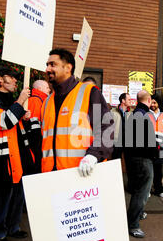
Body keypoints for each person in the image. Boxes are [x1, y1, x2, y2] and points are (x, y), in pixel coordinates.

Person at [41, 48, 113, 176]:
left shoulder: (90, 92)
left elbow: (106, 128)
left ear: (68, 68)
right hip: (51, 177)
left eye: (53, 64)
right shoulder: (47, 102)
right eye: (47, 65)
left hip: (81, 174)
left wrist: (94, 155)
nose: (47, 69)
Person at [0, 66, 35, 241]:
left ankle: (13, 227)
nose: (15, 80)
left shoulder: (9, 100)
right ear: (0, 79)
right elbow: (5, 121)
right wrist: (21, 100)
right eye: (12, 77)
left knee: (18, 196)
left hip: (19, 155)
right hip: (3, 158)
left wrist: (24, 117)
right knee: (4, 197)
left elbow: (14, 122)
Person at [124, 90, 158, 238]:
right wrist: (156, 149)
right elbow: (147, 142)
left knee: (138, 190)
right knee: (141, 192)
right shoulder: (144, 116)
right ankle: (133, 224)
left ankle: (136, 216)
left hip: (134, 158)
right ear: (149, 100)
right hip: (143, 160)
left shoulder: (134, 114)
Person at [26, 79, 52, 173]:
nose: (49, 90)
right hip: (36, 146)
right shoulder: (36, 101)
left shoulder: (39, 100)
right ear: (40, 88)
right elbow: (34, 129)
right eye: (47, 87)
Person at [150, 97, 163, 198]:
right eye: (151, 102)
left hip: (161, 147)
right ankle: (148, 190)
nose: (152, 105)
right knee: (149, 169)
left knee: (158, 169)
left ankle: (159, 190)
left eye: (154, 102)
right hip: (150, 146)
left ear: (158, 103)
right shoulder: (147, 114)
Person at [111, 92, 132, 160]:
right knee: (115, 161)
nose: (130, 101)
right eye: (129, 99)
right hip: (116, 142)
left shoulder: (131, 113)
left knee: (129, 163)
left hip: (128, 143)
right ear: (123, 100)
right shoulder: (113, 112)